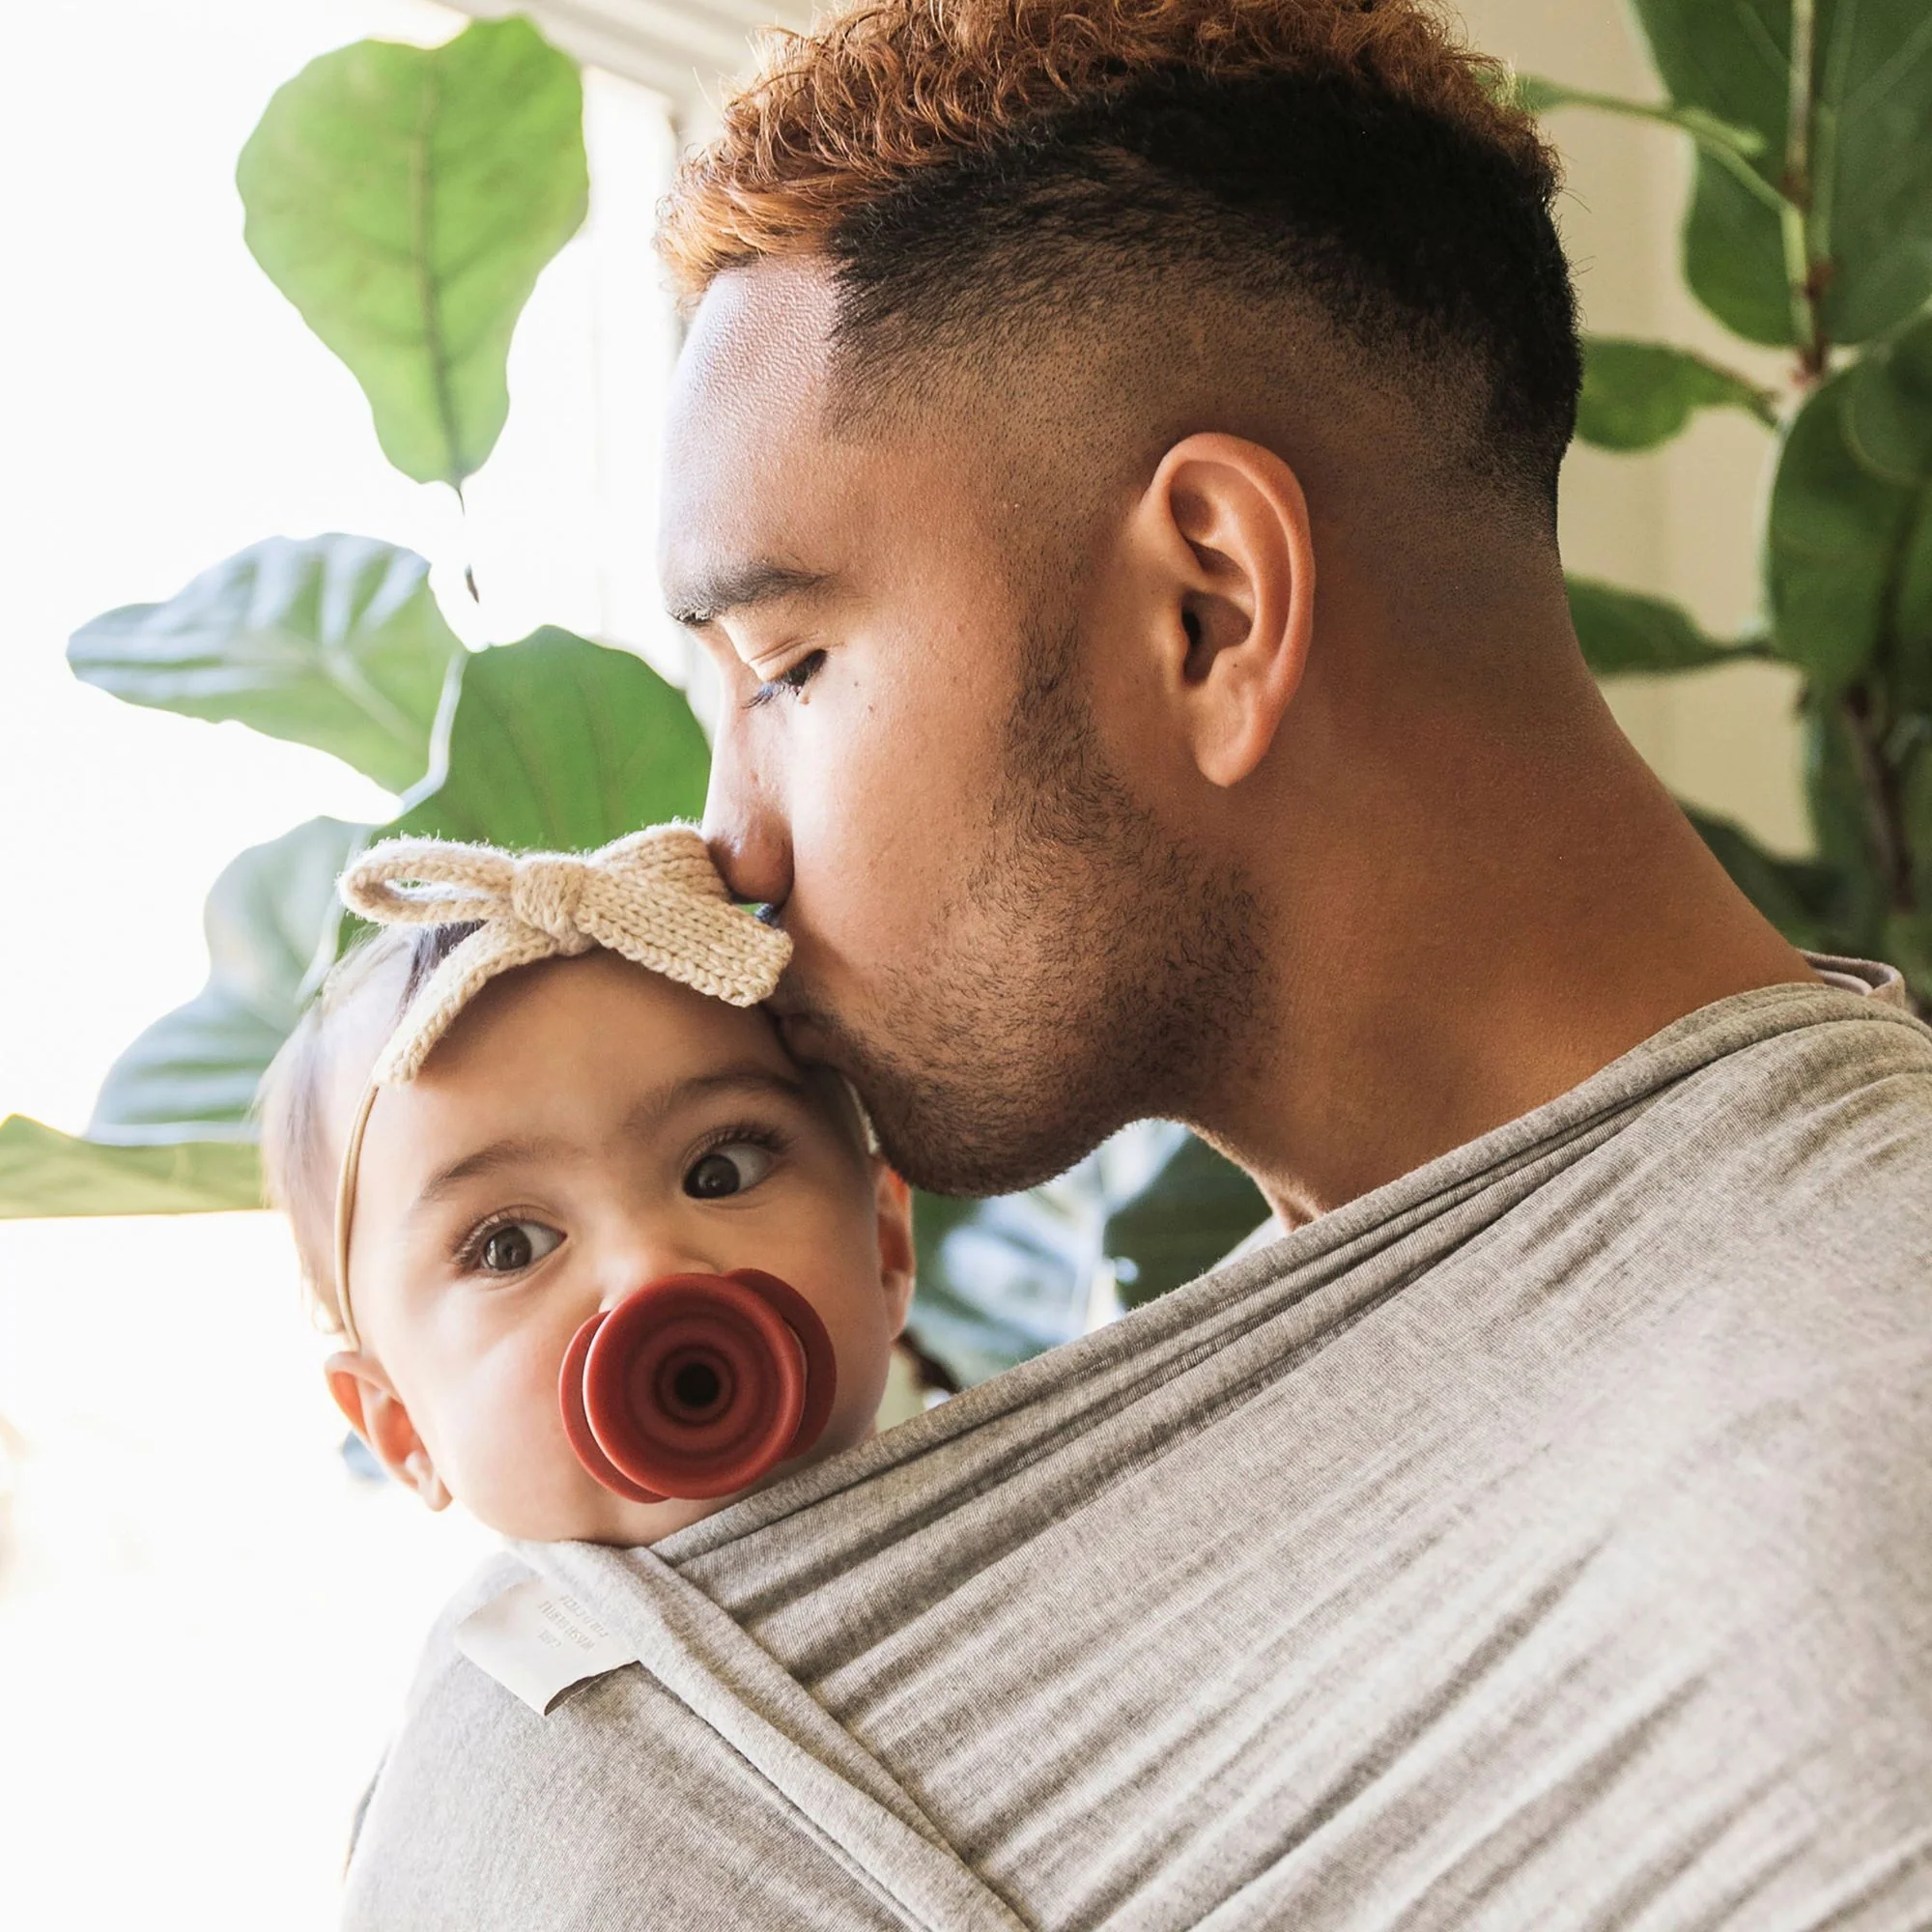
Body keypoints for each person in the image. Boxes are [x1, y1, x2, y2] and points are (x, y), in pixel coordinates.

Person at [340, 2, 1932, 1926]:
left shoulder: (1850, 1495)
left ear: (1210, 608)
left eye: (789, 671)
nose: (727, 850)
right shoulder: (1375, 1398)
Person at [259, 826, 917, 1549]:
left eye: (720, 1173)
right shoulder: (501, 1631)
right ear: (403, 1426)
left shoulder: (1021, 1512)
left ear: (883, 1246)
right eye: (510, 1247)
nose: (652, 1271)